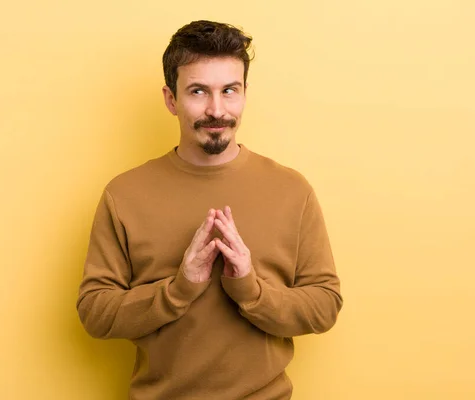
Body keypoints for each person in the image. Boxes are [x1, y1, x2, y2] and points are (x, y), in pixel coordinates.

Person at [76, 20, 343, 400]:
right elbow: (95, 312)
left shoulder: (292, 190)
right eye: (198, 91)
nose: (216, 109)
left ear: (245, 94)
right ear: (171, 99)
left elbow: (325, 304)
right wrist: (179, 288)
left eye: (229, 91)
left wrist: (250, 288)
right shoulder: (123, 194)